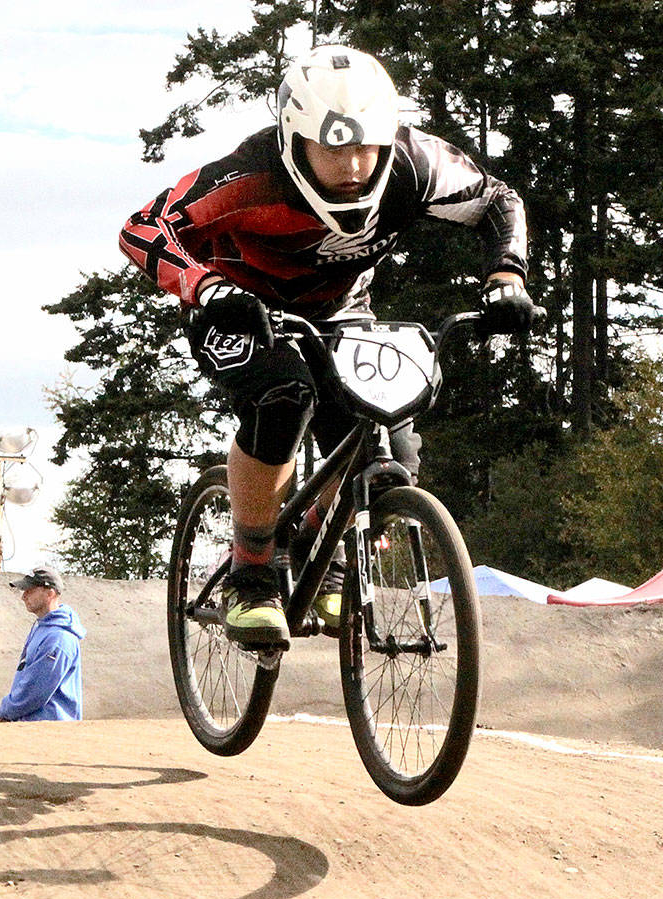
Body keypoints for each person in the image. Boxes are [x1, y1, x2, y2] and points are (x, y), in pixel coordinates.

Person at [119, 44, 535, 650]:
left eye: (366, 146)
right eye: (332, 147)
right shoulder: (248, 176)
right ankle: (252, 573)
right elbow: (143, 228)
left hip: (340, 311)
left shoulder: (417, 163)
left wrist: (507, 275)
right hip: (241, 309)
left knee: (384, 441)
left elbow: (498, 200)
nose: (354, 165)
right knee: (285, 396)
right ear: (294, 137)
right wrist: (205, 286)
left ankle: (326, 545)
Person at [0, 565, 85, 722]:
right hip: (38, 728)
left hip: (51, 732)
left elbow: (35, 691)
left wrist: (5, 711)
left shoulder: (58, 638)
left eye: (29, 590)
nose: (23, 596)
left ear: (49, 594)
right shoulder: (42, 628)